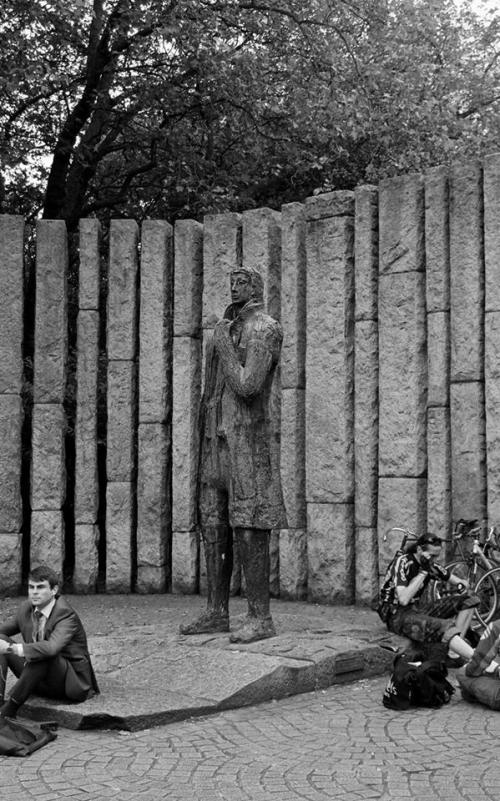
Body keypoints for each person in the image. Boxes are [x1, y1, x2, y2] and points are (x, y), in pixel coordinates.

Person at [180, 266, 287, 643]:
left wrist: (223, 341)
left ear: (256, 286)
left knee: (248, 526)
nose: (235, 287)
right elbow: (212, 392)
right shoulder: (227, 327)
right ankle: (216, 611)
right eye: (232, 282)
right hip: (215, 443)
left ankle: (261, 618)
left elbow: (248, 385)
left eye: (243, 282)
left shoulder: (265, 328)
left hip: (246, 444)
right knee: (213, 525)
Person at [0, 565, 99, 719]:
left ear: (54, 590)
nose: (34, 592)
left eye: (40, 587)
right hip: (36, 678)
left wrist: (11, 649)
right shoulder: (26, 608)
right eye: (31, 587)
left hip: (67, 684)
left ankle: (8, 711)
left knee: (44, 653)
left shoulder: (65, 615)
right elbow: (4, 631)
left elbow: (52, 648)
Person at [378, 534, 479, 664]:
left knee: (470, 600)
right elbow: (403, 599)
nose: (434, 559)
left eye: (437, 556)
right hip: (396, 614)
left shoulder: (429, 564)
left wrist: (462, 584)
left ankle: (453, 653)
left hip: (417, 609)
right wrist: (423, 572)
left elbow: (452, 578)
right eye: (431, 555)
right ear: (419, 550)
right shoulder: (403, 562)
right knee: (444, 627)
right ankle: (479, 661)